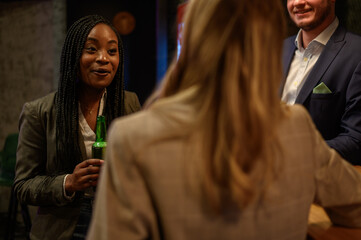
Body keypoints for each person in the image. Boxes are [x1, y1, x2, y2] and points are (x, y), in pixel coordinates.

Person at [87, 0, 361, 239]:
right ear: (268, 43)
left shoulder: (132, 138)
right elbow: (354, 206)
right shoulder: (297, 127)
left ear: (191, 36)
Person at [14, 15, 141, 240]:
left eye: (112, 51)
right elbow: (23, 186)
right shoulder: (39, 112)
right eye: (91, 49)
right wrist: (69, 182)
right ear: (74, 55)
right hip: (63, 226)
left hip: (118, 221)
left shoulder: (129, 103)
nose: (103, 58)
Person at [281, 0, 361, 165]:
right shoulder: (277, 49)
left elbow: (355, 139)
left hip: (317, 181)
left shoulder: (357, 53)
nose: (298, 2)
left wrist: (291, 155)